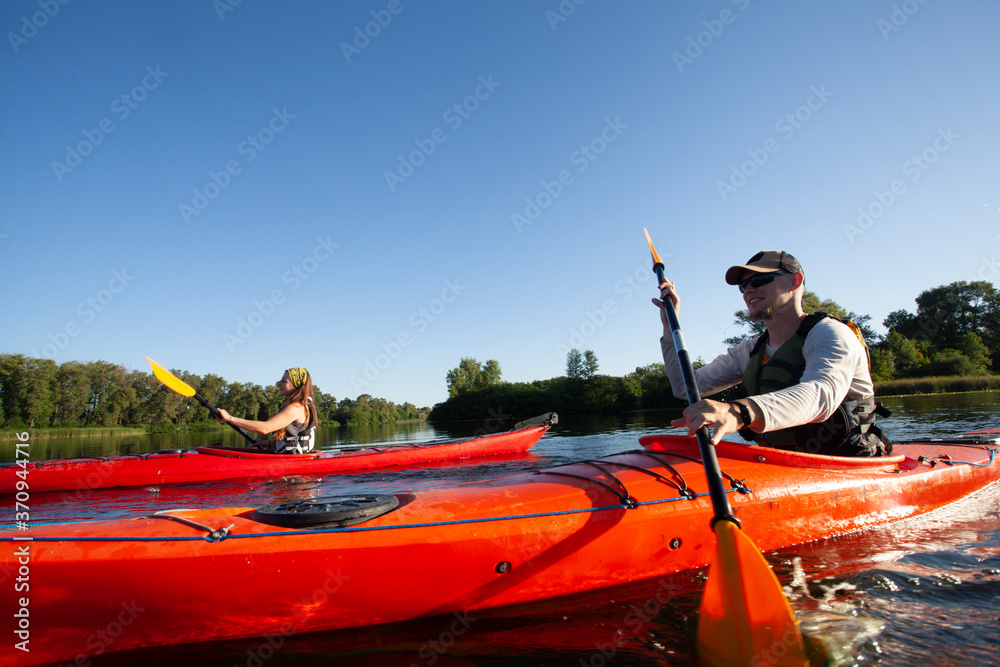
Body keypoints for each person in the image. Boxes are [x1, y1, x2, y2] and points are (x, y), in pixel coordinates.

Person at [652, 250, 890, 457]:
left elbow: (821, 394)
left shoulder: (830, 334)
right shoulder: (748, 351)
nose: (748, 290)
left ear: (795, 281)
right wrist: (668, 326)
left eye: (760, 279)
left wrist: (738, 411)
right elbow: (686, 388)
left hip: (845, 462)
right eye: (743, 286)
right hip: (782, 464)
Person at [214, 367, 318, 454]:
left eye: (284, 381)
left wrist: (230, 418)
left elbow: (265, 428)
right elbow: (291, 440)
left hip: (295, 467)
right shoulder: (302, 405)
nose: (279, 383)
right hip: (293, 459)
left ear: (296, 386)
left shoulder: (296, 407)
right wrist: (266, 444)